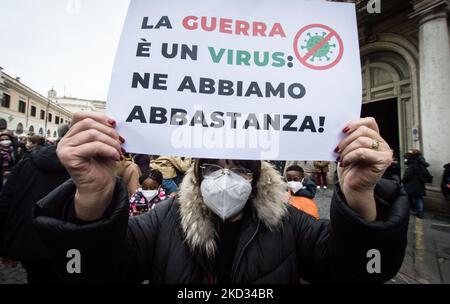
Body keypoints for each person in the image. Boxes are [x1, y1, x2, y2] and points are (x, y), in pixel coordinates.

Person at [31, 113, 409, 284]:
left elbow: (361, 272)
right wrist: (92, 198)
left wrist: (360, 196)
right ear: (195, 173)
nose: (225, 178)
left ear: (259, 176)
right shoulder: (163, 220)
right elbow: (86, 272)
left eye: (241, 168)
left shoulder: (290, 222)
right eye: (212, 167)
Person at [0, 125, 70, 283]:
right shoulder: (89, 167)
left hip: (29, 240)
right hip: (68, 248)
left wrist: (5, 248)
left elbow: (5, 203)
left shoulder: (28, 161)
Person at [402, 149, 432, 219]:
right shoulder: (420, 163)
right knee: (419, 198)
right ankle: (420, 212)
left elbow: (408, 175)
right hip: (419, 183)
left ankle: (410, 209)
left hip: (411, 184)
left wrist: (403, 181)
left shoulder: (412, 164)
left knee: (407, 196)